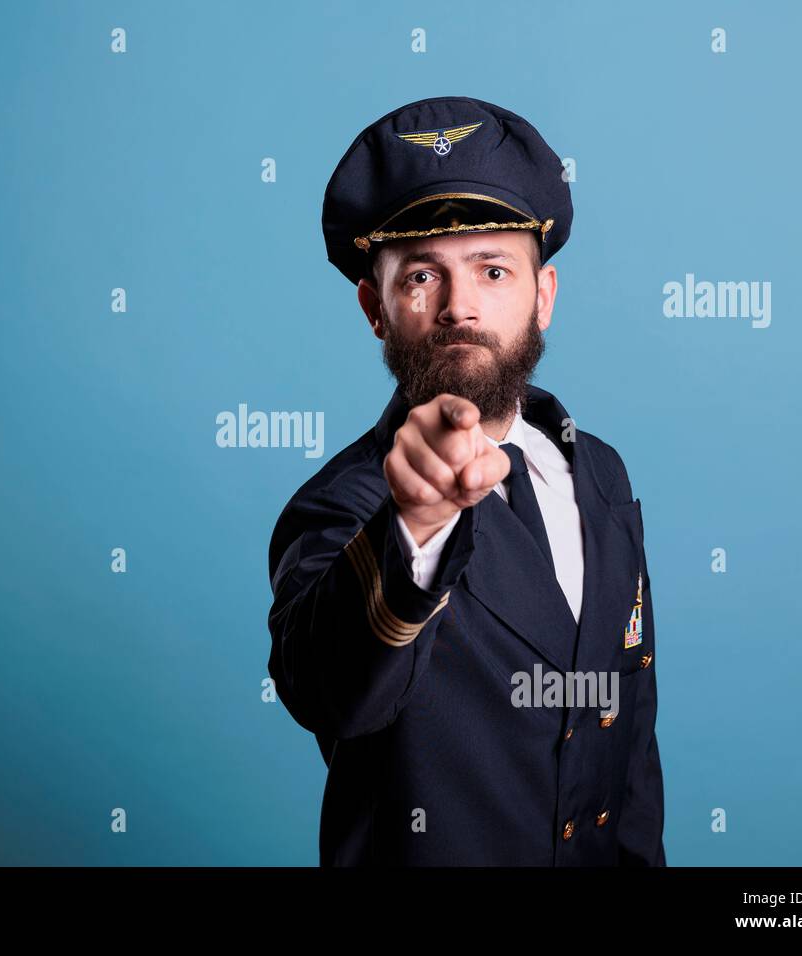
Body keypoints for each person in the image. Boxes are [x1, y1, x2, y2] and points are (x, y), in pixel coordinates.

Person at [266, 96, 664, 865]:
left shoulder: (600, 472)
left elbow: (628, 734)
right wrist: (415, 527)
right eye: (422, 275)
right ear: (375, 308)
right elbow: (327, 692)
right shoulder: (344, 505)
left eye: (492, 269)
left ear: (542, 297)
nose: (460, 308)